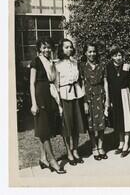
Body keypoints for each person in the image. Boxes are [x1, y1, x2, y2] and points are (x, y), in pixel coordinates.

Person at [30, 38, 66, 174]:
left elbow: (54, 79)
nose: (46, 50)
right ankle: (52, 161)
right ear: (39, 49)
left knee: (45, 127)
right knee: (44, 128)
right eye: (44, 48)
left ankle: (43, 158)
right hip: (40, 96)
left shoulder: (51, 62)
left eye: (48, 47)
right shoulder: (36, 61)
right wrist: (33, 103)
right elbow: (32, 83)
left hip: (50, 95)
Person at [55, 39, 87, 166]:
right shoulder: (57, 64)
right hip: (65, 95)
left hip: (76, 94)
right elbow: (56, 85)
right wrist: (59, 104)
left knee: (76, 124)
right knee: (67, 126)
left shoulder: (75, 63)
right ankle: (68, 151)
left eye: (71, 47)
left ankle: (75, 150)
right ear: (61, 49)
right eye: (67, 47)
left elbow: (80, 80)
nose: (70, 49)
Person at [79, 42, 109, 161]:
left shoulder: (101, 65)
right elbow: (82, 84)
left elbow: (105, 82)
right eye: (89, 51)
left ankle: (101, 147)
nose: (92, 54)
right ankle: (94, 147)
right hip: (88, 96)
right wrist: (84, 101)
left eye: (94, 51)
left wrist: (107, 99)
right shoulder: (82, 66)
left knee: (101, 123)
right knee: (90, 124)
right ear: (85, 53)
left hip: (100, 95)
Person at [105, 45, 130, 158]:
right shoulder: (109, 67)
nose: (118, 57)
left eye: (120, 55)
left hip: (125, 94)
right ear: (112, 57)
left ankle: (127, 144)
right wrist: (109, 100)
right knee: (118, 120)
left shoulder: (127, 66)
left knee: (126, 119)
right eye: (115, 55)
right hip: (115, 96)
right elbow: (109, 83)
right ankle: (121, 142)